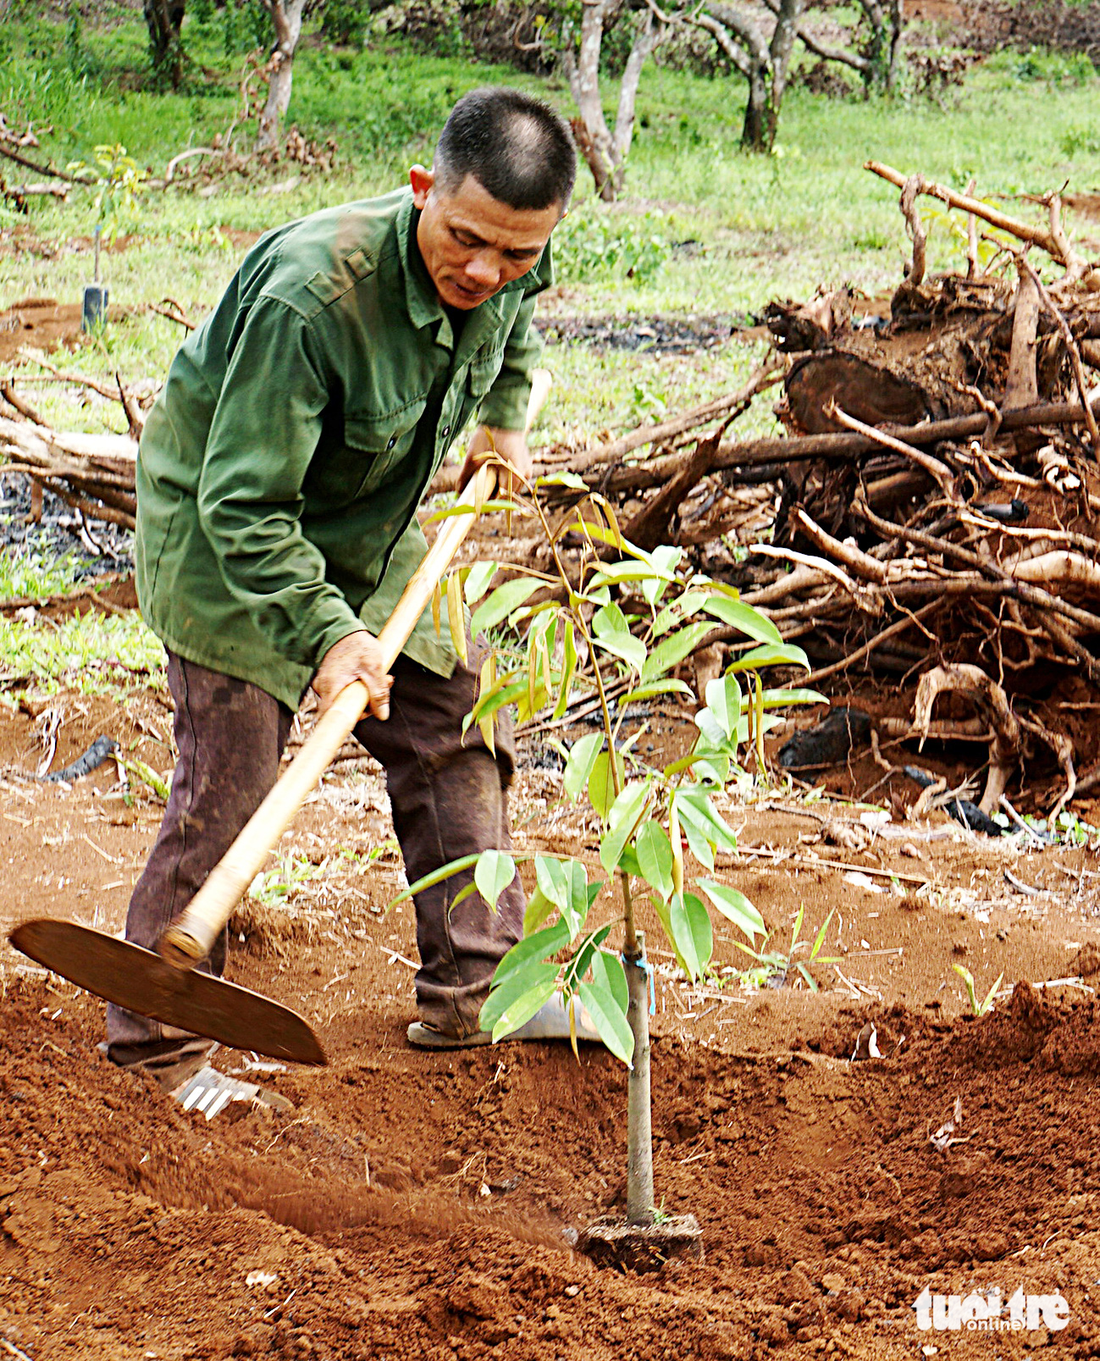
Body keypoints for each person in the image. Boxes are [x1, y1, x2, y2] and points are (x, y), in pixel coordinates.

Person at [106, 87, 592, 1094]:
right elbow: (241, 507)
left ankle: (478, 989)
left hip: (370, 525)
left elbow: (515, 319)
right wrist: (329, 641)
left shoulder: (505, 256)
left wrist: (504, 417)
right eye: (465, 241)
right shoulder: (311, 296)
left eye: (516, 254)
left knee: (457, 716)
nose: (484, 271)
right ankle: (158, 1050)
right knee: (232, 788)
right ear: (423, 190)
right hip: (227, 541)